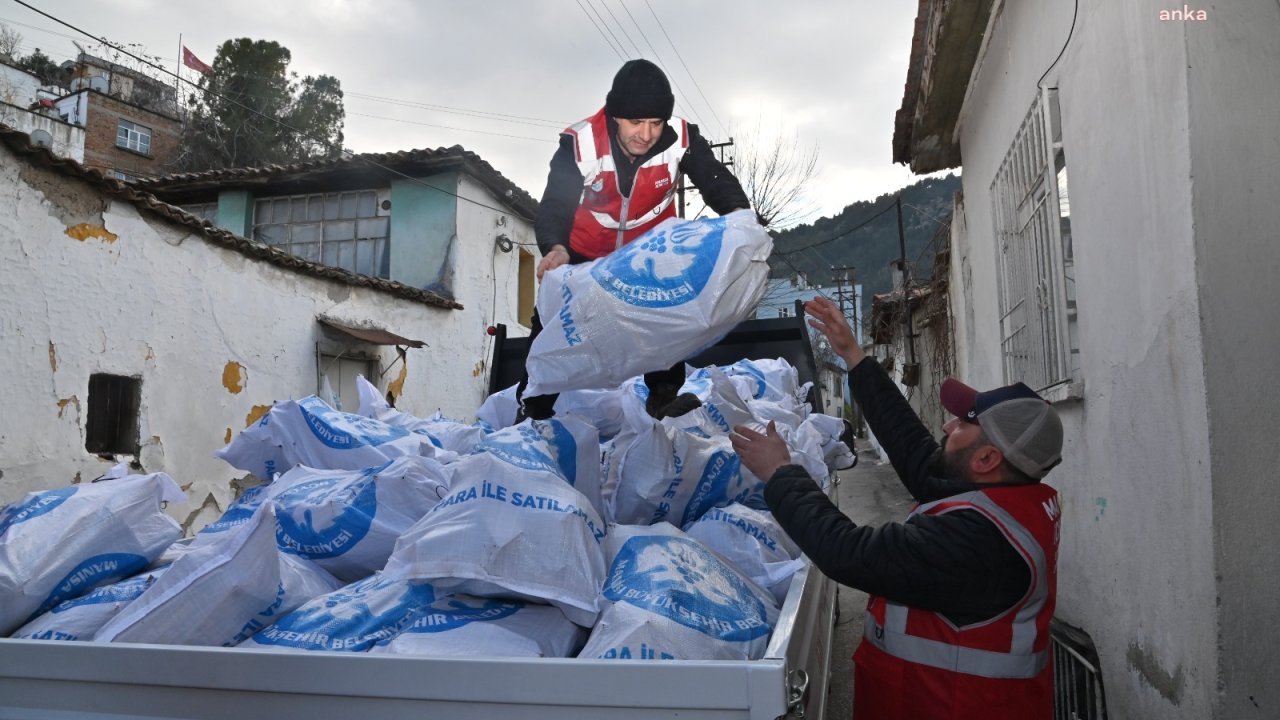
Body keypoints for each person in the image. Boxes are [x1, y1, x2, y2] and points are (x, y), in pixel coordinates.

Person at [730, 296, 1064, 720]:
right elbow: (918, 457)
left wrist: (780, 472)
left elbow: (848, 551)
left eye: (963, 423)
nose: (947, 424)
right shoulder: (1010, 500)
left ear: (985, 460)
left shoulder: (981, 543)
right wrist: (855, 357)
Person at [517, 58, 751, 421]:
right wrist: (556, 249)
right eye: (635, 122)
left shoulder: (682, 139)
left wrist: (743, 221)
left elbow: (716, 181)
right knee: (553, 323)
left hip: (648, 252)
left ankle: (663, 397)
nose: (646, 133)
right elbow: (555, 204)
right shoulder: (580, 144)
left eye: (655, 123)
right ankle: (532, 409)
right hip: (584, 253)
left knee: (667, 312)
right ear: (614, 116)